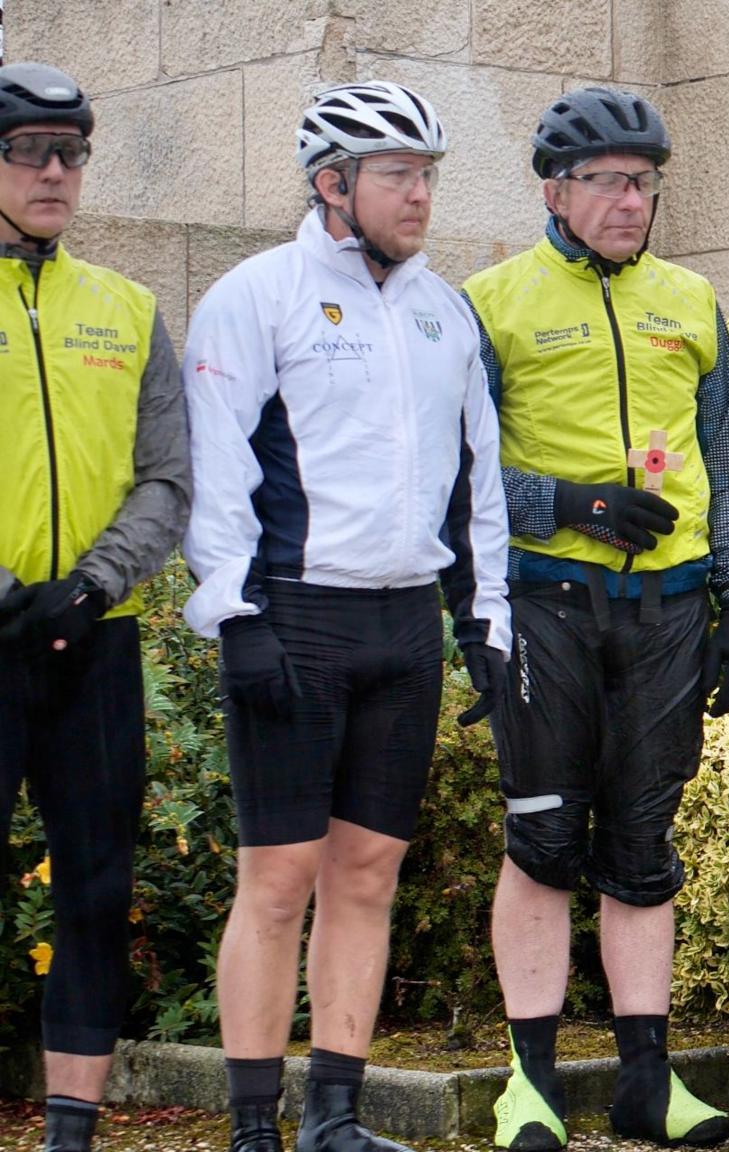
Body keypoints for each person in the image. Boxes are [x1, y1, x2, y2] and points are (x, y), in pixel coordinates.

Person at [181, 81, 512, 1152]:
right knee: (277, 880)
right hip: (296, 617)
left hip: (404, 626)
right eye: (397, 175)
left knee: (367, 874)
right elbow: (216, 466)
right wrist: (233, 613)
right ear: (332, 184)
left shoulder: (443, 307)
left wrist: (486, 623)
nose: (420, 195)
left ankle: (334, 1115)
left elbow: (482, 485)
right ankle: (250, 1129)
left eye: (427, 175)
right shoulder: (255, 293)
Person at [461, 86, 729, 1151]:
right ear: (555, 189)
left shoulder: (690, 299)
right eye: (610, 183)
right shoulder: (491, 302)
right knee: (544, 836)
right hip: (546, 598)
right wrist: (571, 503)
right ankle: (529, 1083)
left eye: (646, 183)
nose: (633, 200)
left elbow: (728, 468)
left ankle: (648, 1082)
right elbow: (459, 467)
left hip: (672, 605)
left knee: (642, 843)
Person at [0, 61, 191, 1152]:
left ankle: (71, 1125)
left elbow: (167, 473)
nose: (57, 172)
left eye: (71, 153)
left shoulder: (124, 307)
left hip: (93, 638)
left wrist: (97, 581)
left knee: (95, 884)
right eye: (31, 152)